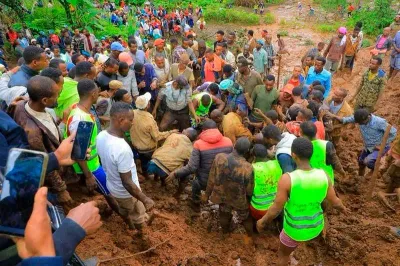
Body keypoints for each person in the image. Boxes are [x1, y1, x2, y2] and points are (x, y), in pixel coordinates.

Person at [256, 137, 348, 266]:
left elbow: (276, 208)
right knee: (310, 240)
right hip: (316, 226)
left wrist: (262, 222)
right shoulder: (324, 175)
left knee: (283, 254)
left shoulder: (287, 179)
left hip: (294, 229)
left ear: (293, 155)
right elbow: (335, 201)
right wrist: (344, 210)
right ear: (310, 154)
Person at [9, 74, 74, 206]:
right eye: (56, 95)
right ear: (44, 100)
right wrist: (61, 190)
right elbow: (44, 162)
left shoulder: (24, 103)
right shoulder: (32, 132)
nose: (58, 97)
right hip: (47, 183)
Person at [97, 102, 155, 233]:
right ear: (121, 120)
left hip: (112, 186)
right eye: (131, 120)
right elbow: (127, 182)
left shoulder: (101, 136)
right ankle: (142, 236)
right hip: (126, 193)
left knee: (123, 209)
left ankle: (128, 223)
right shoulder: (122, 149)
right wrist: (145, 199)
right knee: (139, 215)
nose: (132, 123)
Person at [166, 120, 233, 211]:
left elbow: (192, 167)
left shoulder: (199, 144)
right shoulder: (228, 141)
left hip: (205, 182)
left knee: (195, 181)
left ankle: (195, 204)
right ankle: (223, 209)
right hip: (224, 181)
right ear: (217, 129)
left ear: (203, 131)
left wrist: (175, 173)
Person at [203, 137, 253, 234]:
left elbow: (211, 178)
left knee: (224, 213)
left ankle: (225, 234)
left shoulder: (219, 158)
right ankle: (250, 236)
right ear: (247, 151)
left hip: (221, 194)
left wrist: (206, 195)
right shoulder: (248, 167)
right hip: (238, 198)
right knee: (245, 217)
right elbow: (249, 190)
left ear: (234, 145)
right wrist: (248, 200)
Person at [64, 79, 105, 195]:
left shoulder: (75, 108)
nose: (99, 94)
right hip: (90, 168)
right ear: (93, 94)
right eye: (98, 92)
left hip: (91, 164)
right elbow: (79, 151)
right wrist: (88, 176)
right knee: (109, 193)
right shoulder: (82, 119)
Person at [333, 109, 397, 176]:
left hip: (380, 148)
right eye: (359, 123)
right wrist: (338, 118)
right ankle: (360, 177)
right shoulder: (360, 119)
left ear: (368, 117)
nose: (360, 124)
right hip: (368, 147)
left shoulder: (379, 122)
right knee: (361, 161)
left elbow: (393, 132)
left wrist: (382, 145)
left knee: (368, 161)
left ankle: (379, 172)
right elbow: (350, 119)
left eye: (362, 122)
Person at [131, 92, 178, 179]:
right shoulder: (149, 119)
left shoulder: (132, 113)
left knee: (142, 161)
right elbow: (157, 136)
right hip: (147, 149)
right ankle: (151, 175)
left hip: (136, 146)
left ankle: (145, 173)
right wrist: (171, 132)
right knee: (150, 162)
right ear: (147, 105)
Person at [250, 144, 282, 220]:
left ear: (254, 156)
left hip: (259, 207)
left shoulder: (253, 168)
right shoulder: (276, 163)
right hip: (276, 207)